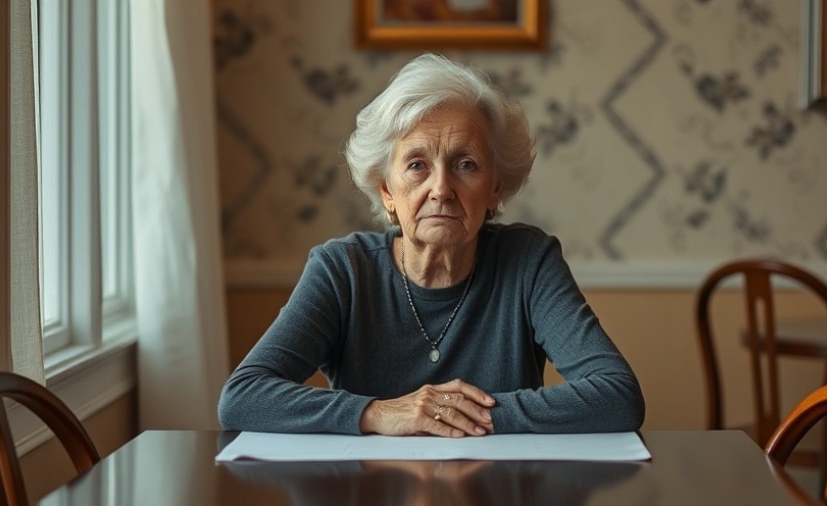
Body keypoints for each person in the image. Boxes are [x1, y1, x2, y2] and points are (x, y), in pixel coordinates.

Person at [217, 53, 645, 437]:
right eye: (418, 165)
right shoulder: (342, 270)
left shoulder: (528, 261)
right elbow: (244, 397)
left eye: (466, 164)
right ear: (387, 191)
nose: (441, 188)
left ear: (495, 188)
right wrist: (382, 413)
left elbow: (617, 395)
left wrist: (457, 416)